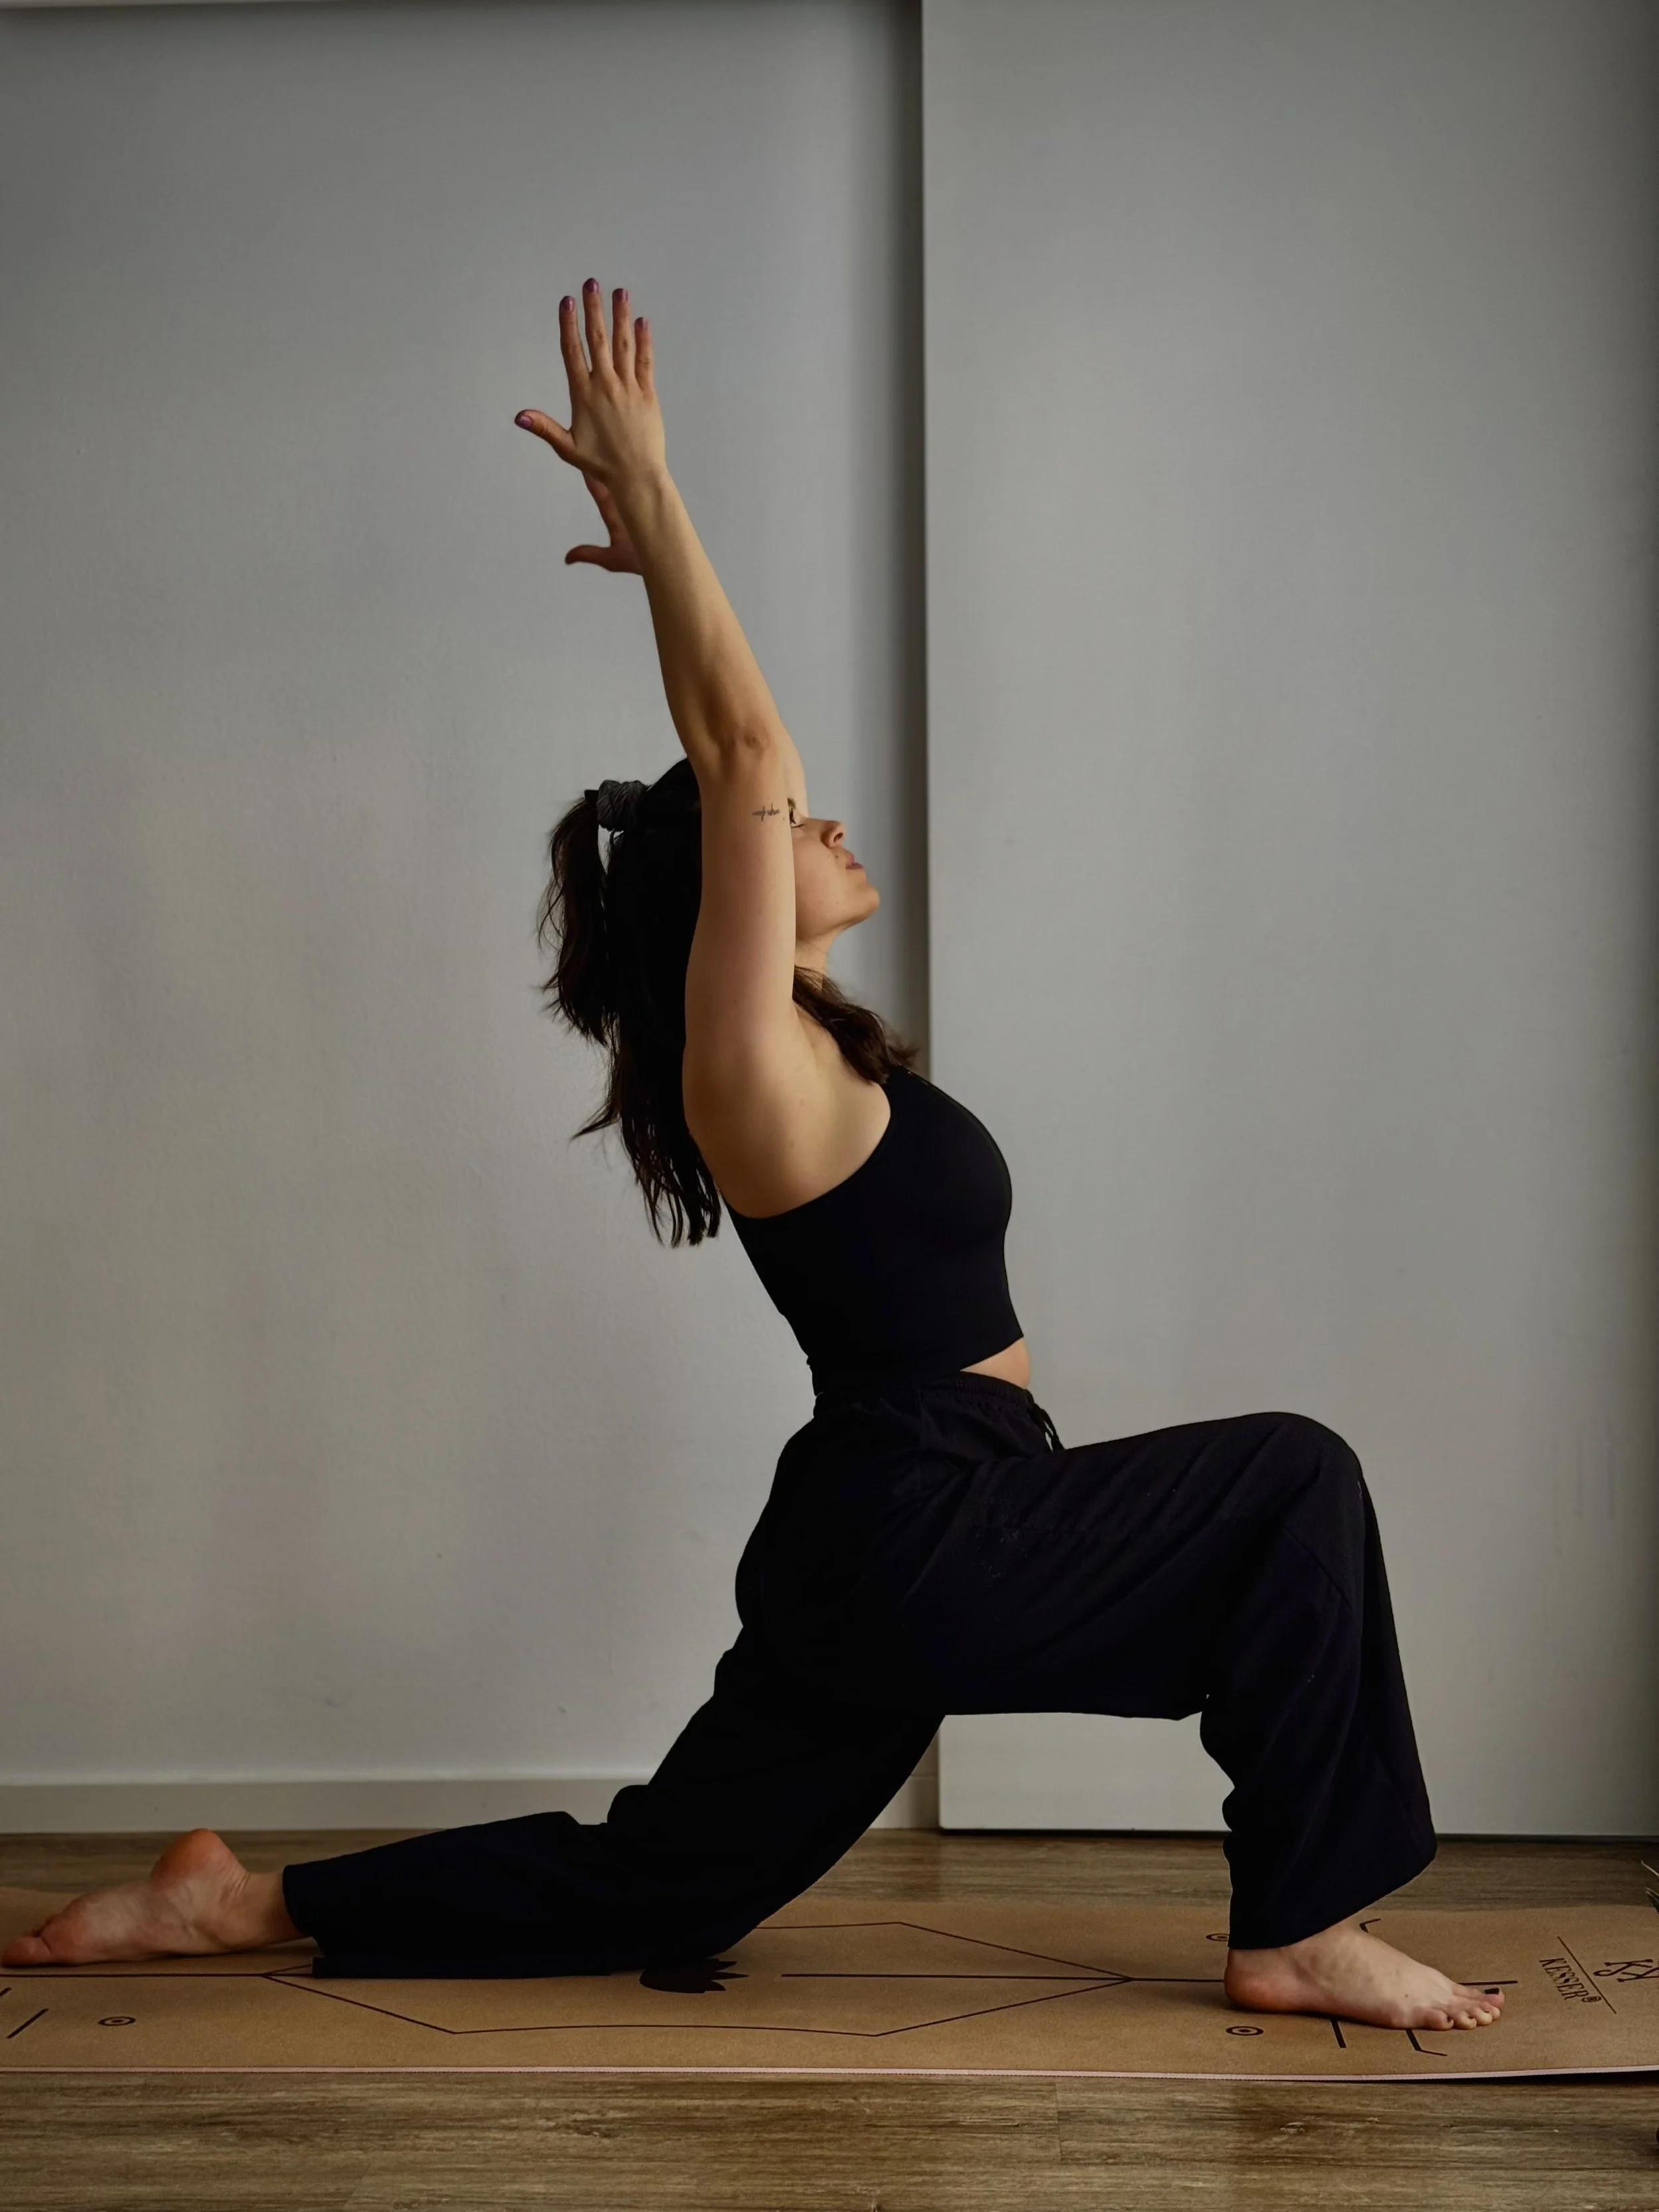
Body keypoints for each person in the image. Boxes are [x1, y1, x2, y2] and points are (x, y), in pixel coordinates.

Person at [3, 280, 1502, 2036]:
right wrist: (658, 509)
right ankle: (1297, 1924)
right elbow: (740, 750)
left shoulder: (803, 1055)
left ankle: (229, 1904)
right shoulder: (747, 1064)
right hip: (921, 1521)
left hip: (892, 1535)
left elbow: (748, 762)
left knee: (662, 1881)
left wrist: (669, 575)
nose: (820, 820)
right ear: (727, 881)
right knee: (1290, 1486)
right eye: (788, 829)